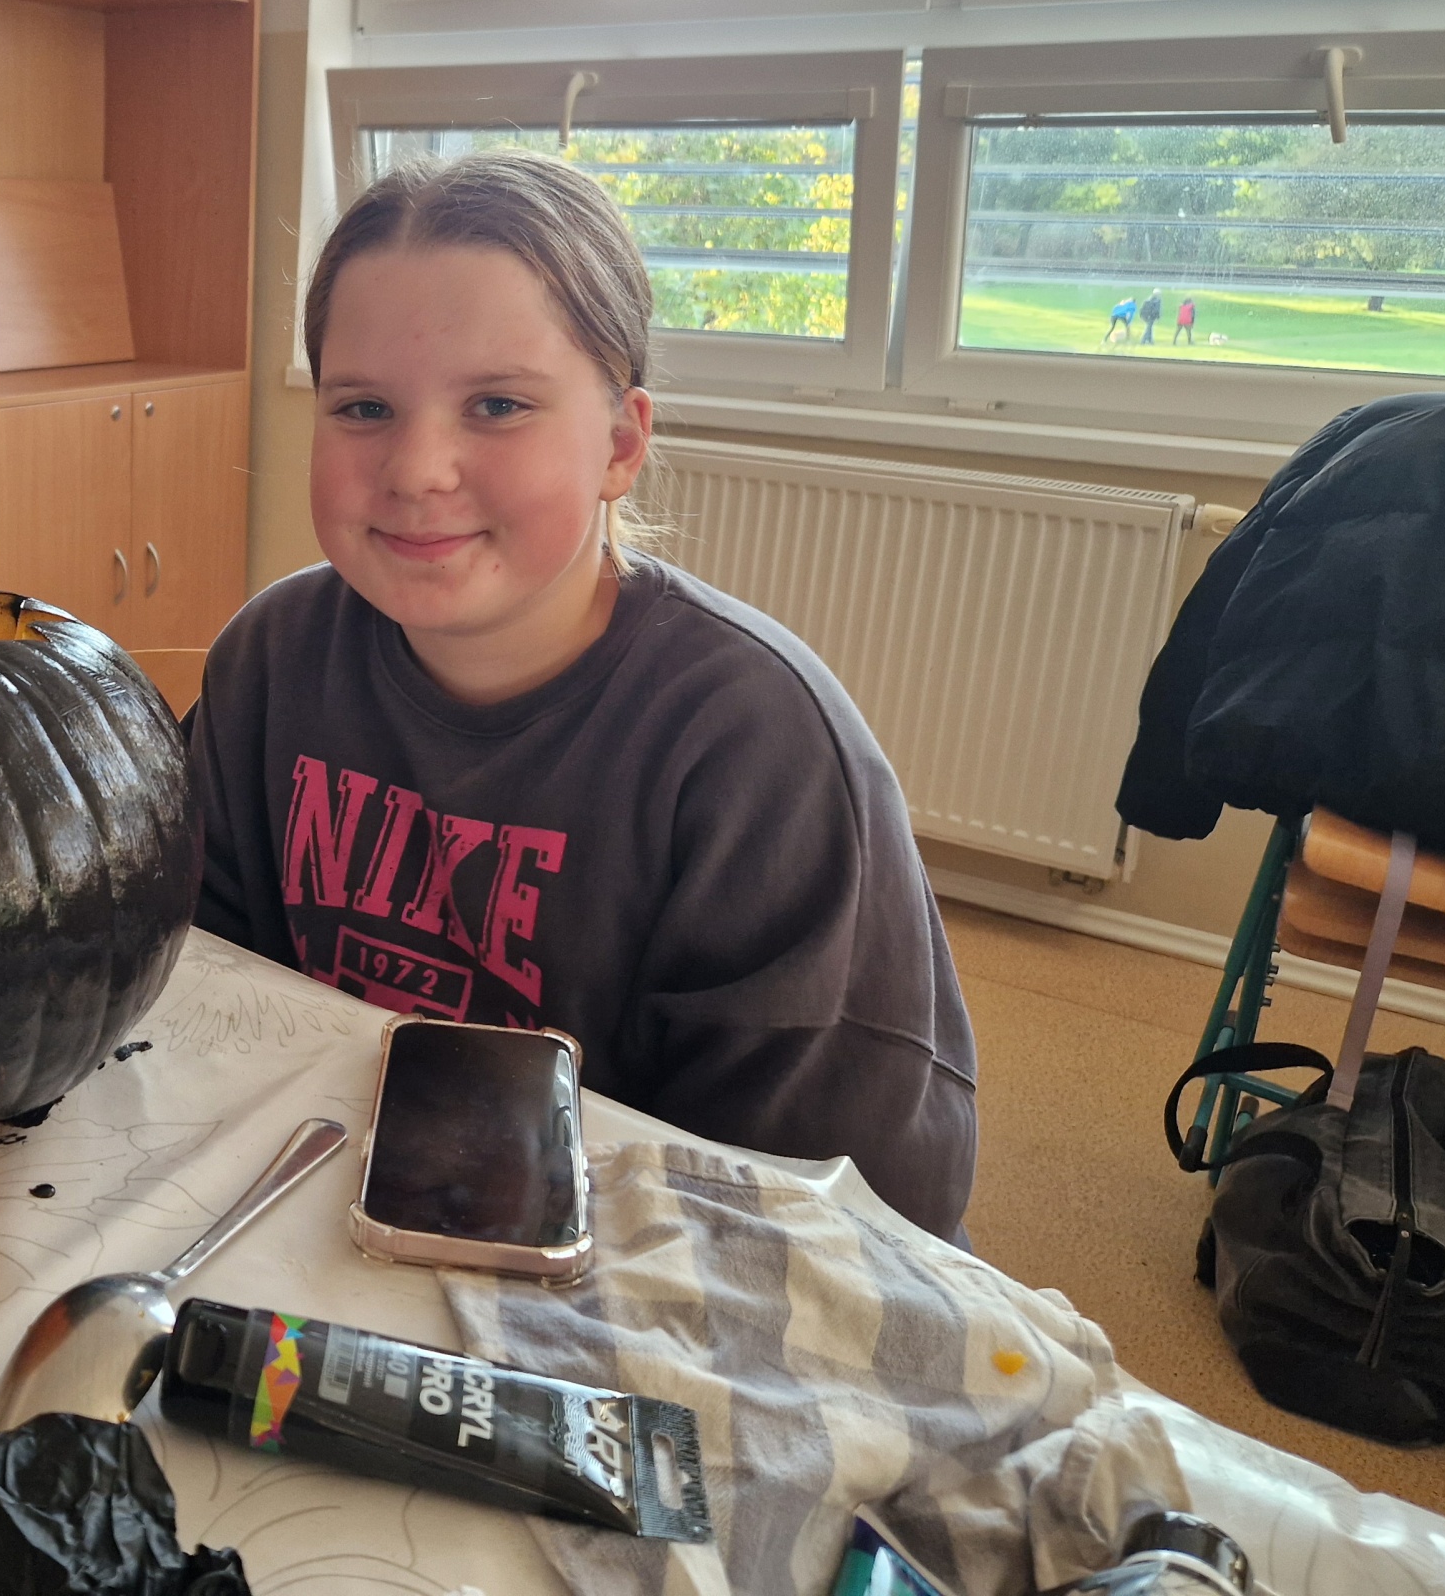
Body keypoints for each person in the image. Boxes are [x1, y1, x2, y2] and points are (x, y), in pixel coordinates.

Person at [184, 153, 977, 1239]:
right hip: (317, 1199)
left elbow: (815, 1214)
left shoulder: (759, 748)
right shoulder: (269, 662)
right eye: (364, 406)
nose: (416, 469)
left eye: (497, 405)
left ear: (621, 443)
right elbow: (201, 1000)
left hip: (641, 1267)